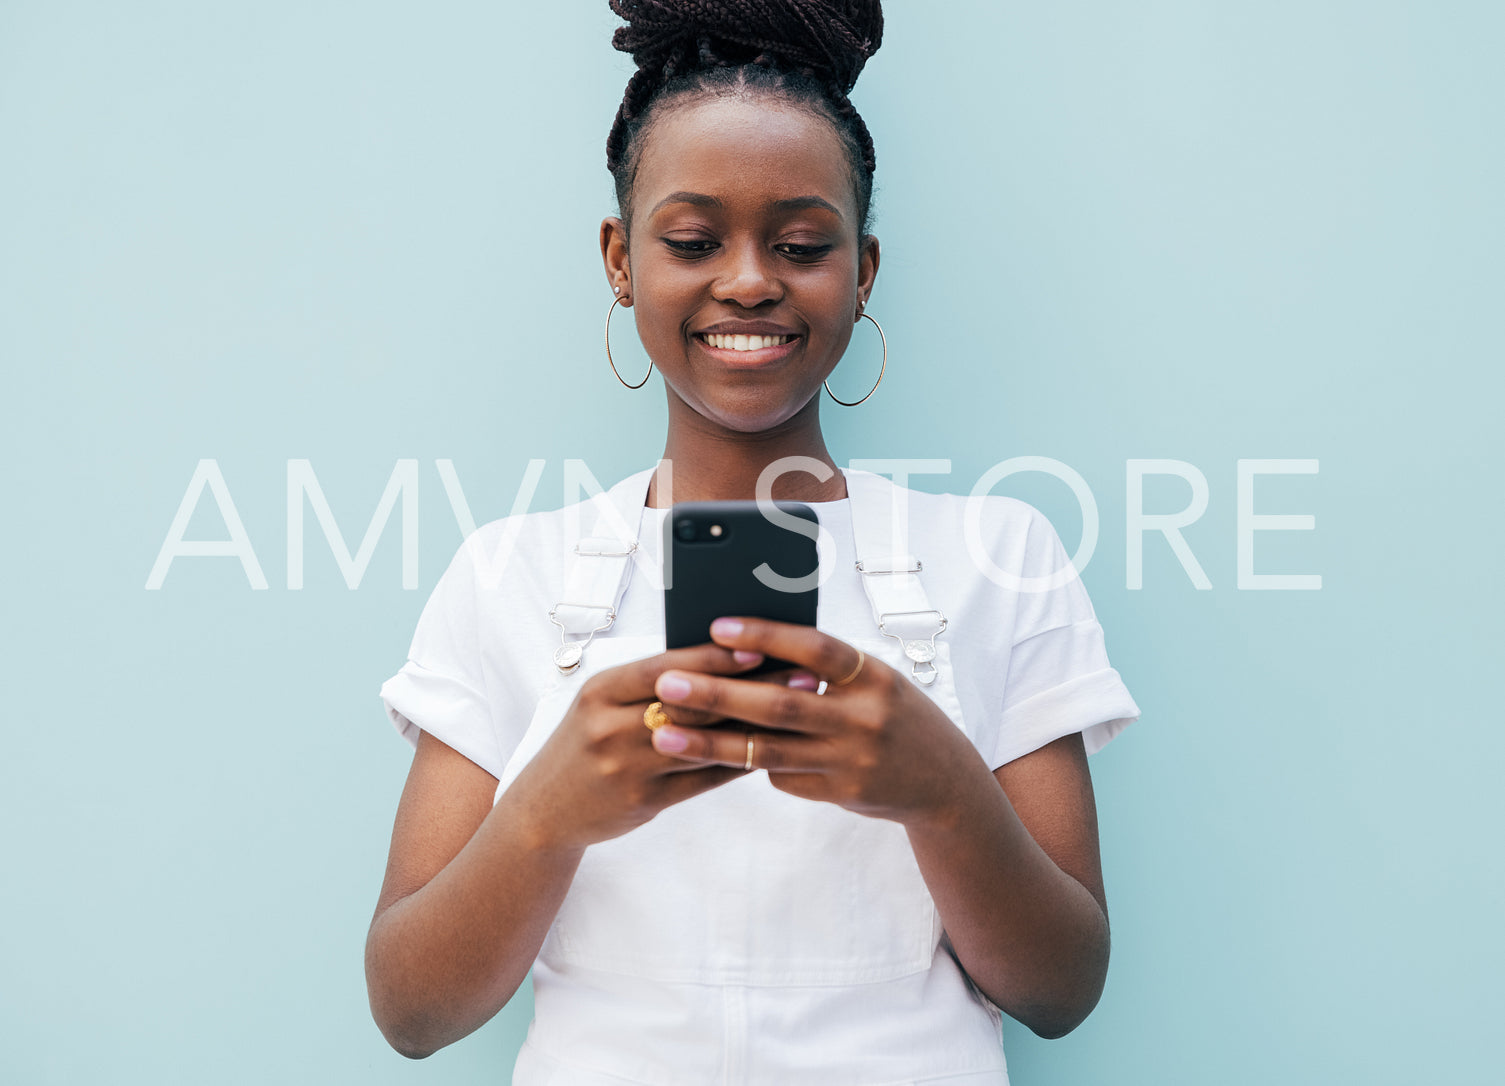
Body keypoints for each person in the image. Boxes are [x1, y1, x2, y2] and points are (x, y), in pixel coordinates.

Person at [365, 2, 1139, 1082]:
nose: (746, 280)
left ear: (861, 270)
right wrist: (545, 812)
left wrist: (941, 791)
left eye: (800, 243)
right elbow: (410, 1009)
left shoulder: (999, 558)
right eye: (690, 241)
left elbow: (1060, 990)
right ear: (619, 260)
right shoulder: (508, 576)